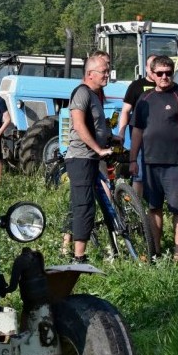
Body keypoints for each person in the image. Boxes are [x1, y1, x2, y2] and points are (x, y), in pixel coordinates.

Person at [129, 55, 178, 261]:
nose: (164, 77)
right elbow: (137, 131)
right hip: (150, 162)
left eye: (168, 73)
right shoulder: (144, 99)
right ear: (152, 74)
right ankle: (156, 251)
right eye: (159, 73)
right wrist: (133, 159)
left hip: (177, 162)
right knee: (154, 208)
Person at [61, 53, 115, 261]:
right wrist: (98, 149)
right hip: (81, 157)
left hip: (91, 158)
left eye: (108, 71)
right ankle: (78, 257)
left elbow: (97, 125)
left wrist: (111, 136)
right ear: (90, 74)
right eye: (104, 72)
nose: (107, 75)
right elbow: (79, 125)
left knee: (87, 203)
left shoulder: (96, 94)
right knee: (84, 205)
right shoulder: (82, 93)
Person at [117, 54, 158, 197]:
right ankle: (137, 208)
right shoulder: (136, 86)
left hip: (160, 139)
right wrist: (121, 133)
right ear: (146, 67)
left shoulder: (165, 85)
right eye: (151, 66)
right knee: (138, 174)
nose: (154, 70)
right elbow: (125, 111)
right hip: (140, 138)